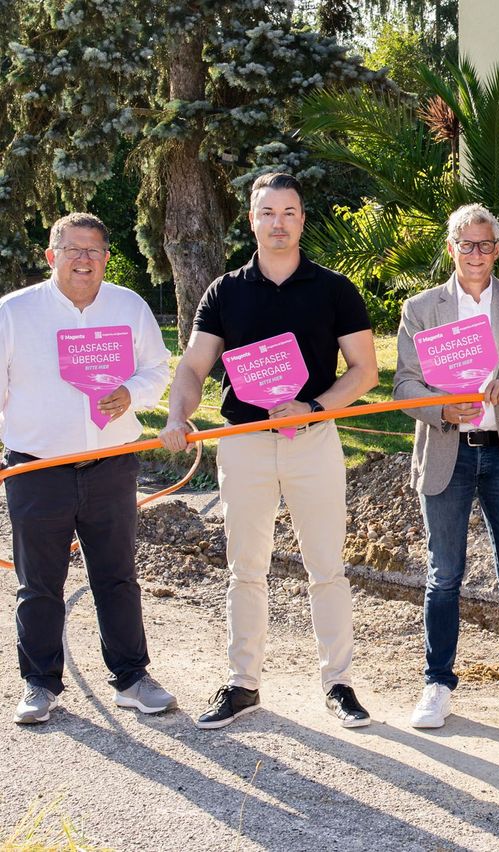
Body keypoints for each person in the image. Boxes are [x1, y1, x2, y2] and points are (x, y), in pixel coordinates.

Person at [160, 172, 378, 729]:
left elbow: (365, 371)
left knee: (326, 566)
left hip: (313, 439)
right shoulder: (224, 291)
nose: (278, 223)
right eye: (267, 213)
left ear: (302, 219)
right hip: (244, 444)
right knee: (245, 568)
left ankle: (338, 684)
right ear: (252, 220)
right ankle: (242, 684)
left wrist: (315, 406)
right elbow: (192, 365)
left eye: (289, 212)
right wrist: (177, 415)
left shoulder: (334, 288)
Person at [394, 203, 499, 733]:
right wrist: (440, 408)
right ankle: (437, 685)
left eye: (485, 245)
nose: (476, 254)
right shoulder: (422, 308)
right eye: (466, 245)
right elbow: (403, 386)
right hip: (447, 448)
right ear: (451, 249)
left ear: (497, 249)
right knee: (443, 575)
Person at [0, 212, 174, 725]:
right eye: (72, 250)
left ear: (105, 258)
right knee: (39, 582)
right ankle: (39, 684)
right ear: (51, 256)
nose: (83, 260)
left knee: (117, 576)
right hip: (37, 469)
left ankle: (132, 678)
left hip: (112, 466)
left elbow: (156, 369)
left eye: (94, 251)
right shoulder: (13, 312)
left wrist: (132, 393)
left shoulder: (129, 307)